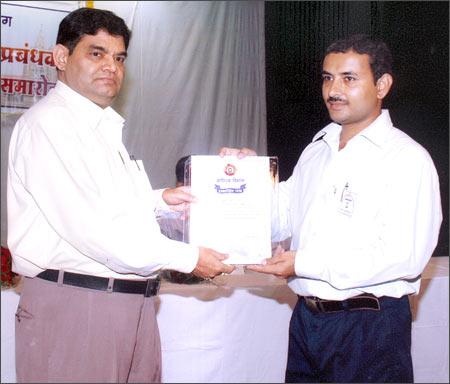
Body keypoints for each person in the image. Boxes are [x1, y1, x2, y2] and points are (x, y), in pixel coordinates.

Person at [7, 8, 233, 383]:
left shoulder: (98, 126)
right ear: (61, 57)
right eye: (96, 53)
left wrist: (161, 199)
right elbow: (94, 230)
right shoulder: (50, 125)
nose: (110, 66)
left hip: (125, 302)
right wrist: (189, 257)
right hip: (78, 308)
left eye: (119, 57)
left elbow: (107, 205)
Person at [220, 34, 442, 382]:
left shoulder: (406, 159)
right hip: (308, 320)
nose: (333, 90)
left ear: (382, 85)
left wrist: (301, 262)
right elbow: (283, 219)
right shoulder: (317, 150)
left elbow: (404, 255)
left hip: (369, 326)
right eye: (327, 78)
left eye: (349, 79)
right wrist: (247, 182)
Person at [158, 155, 204, 284]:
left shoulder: (218, 214)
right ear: (180, 184)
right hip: (175, 285)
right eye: (187, 182)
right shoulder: (164, 217)